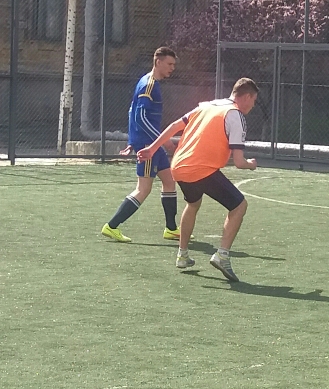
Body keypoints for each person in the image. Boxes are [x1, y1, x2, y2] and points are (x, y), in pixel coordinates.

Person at [138, 77, 260, 281]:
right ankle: (222, 255)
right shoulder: (235, 115)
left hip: (179, 166)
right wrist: (251, 164)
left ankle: (182, 255)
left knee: (193, 204)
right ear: (246, 97)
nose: (253, 105)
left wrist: (152, 148)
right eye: (253, 100)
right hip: (200, 169)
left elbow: (175, 126)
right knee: (239, 206)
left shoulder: (207, 106)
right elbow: (239, 162)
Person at [102, 46, 182, 242]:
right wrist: (161, 141)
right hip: (148, 147)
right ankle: (112, 226)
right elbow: (140, 117)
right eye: (169, 64)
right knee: (143, 189)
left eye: (173, 64)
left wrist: (132, 140)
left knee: (169, 181)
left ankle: (171, 228)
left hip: (151, 144)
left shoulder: (147, 82)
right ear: (158, 62)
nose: (172, 68)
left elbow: (132, 112)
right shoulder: (149, 85)